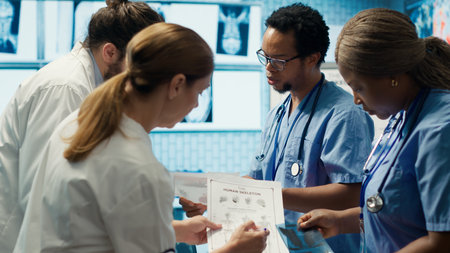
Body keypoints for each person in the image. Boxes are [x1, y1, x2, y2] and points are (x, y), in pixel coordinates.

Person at [13, 22, 269, 253]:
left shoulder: (80, 119)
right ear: (177, 85)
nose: (195, 105)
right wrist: (234, 250)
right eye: (200, 92)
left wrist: (174, 231)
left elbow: (95, 221)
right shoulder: (140, 168)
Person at [181, 3, 374, 252]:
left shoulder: (345, 114)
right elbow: (258, 179)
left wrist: (273, 196)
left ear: (312, 58)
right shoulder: (277, 114)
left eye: (279, 61)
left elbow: (352, 193)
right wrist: (213, 200)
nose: (268, 67)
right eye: (265, 56)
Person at [0, 1, 163, 252]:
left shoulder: (90, 84)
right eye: (140, 66)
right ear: (110, 52)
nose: (143, 79)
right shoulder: (67, 88)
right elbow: (45, 192)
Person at [298, 8, 450, 253]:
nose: (356, 100)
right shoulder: (401, 117)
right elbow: (393, 210)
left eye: (359, 87)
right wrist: (339, 221)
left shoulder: (440, 129)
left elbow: (442, 241)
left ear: (392, 75)